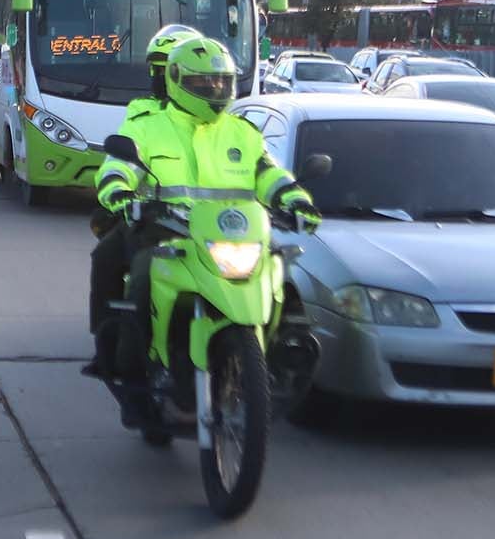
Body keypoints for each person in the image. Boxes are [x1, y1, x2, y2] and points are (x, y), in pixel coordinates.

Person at [89, 36, 321, 375]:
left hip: (236, 236)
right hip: (169, 233)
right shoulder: (147, 126)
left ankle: (284, 359)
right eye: (202, 82)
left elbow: (268, 174)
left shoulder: (243, 131)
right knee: (138, 278)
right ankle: (127, 360)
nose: (213, 89)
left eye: (221, 81)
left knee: (286, 282)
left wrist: (296, 200)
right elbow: (117, 167)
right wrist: (120, 193)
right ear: (177, 79)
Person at [87, 24, 199, 336]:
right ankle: (113, 343)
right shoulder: (143, 115)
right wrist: (120, 192)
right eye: (154, 69)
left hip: (216, 229)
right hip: (158, 224)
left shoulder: (222, 122)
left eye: (165, 69)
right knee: (109, 258)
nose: (157, 77)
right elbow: (119, 163)